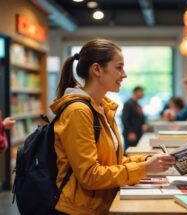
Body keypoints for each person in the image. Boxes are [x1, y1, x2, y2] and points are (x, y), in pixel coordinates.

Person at [51, 39, 176, 214]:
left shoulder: (102, 108)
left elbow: (111, 162)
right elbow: (90, 175)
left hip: (101, 206)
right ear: (96, 69)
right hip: (79, 210)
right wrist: (145, 168)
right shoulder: (78, 111)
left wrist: (148, 160)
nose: (124, 74)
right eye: (119, 68)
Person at [121, 86, 145, 150]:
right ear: (136, 92)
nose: (143, 94)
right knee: (129, 152)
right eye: (141, 92)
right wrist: (130, 132)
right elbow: (125, 119)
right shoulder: (128, 104)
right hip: (131, 133)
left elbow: (140, 118)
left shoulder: (137, 104)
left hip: (138, 132)